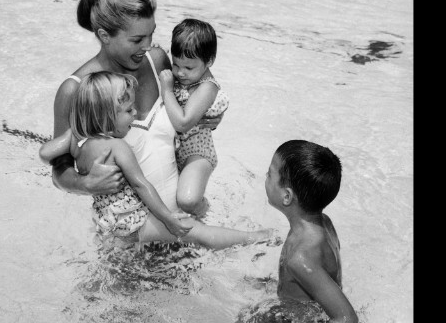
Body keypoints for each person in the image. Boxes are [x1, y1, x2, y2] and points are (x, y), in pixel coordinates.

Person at [40, 71, 272, 248]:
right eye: (129, 110)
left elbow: (45, 154)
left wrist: (71, 134)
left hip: (107, 226)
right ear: (107, 116)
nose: (134, 116)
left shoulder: (76, 143)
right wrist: (169, 219)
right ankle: (254, 238)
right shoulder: (117, 147)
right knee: (195, 231)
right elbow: (142, 186)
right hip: (134, 226)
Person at [49, 0, 217, 221]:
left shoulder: (157, 61)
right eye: (137, 40)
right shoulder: (75, 91)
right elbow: (59, 173)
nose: (147, 46)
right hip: (129, 236)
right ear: (105, 35)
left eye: (151, 34)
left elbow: (190, 111)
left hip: (185, 223)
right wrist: (87, 183)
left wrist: (208, 113)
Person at [263, 140, 358, 323]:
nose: (265, 176)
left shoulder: (300, 259)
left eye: (269, 174)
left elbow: (347, 319)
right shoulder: (324, 223)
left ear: (287, 196)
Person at [158, 18, 229, 217]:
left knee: (187, 201)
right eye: (176, 64)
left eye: (189, 68)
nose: (180, 73)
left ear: (209, 62)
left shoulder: (207, 87)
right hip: (176, 151)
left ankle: (205, 212)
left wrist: (167, 91)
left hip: (197, 153)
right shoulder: (186, 73)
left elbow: (183, 122)